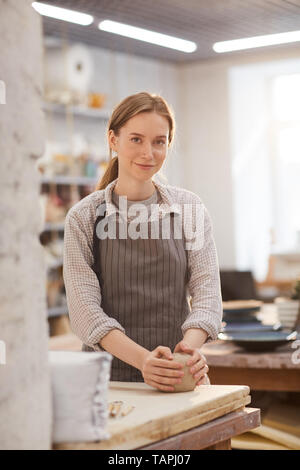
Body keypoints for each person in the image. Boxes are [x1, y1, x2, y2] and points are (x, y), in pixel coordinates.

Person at [63, 91, 222, 392]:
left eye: (159, 141)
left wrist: (186, 353)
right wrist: (144, 360)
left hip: (179, 379)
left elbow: (208, 296)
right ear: (113, 140)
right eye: (136, 139)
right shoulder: (84, 217)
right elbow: (85, 312)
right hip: (109, 384)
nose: (148, 153)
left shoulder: (189, 209)